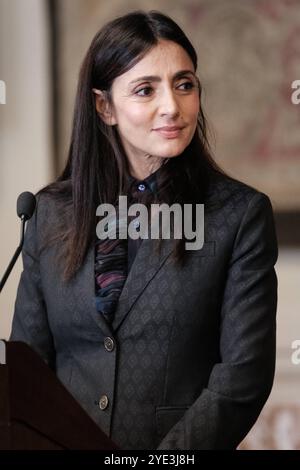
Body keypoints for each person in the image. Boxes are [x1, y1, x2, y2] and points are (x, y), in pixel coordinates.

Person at [10, 10, 278, 450]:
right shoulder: (50, 214)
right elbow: (29, 369)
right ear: (105, 107)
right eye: (145, 89)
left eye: (184, 84)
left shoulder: (238, 215)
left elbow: (241, 377)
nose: (172, 106)